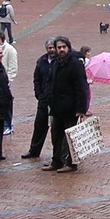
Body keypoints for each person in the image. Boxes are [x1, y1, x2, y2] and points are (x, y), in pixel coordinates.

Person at [46, 36, 88, 173]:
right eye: (59, 47)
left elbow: (81, 87)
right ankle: (56, 160)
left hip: (71, 108)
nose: (61, 49)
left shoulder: (75, 64)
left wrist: (81, 109)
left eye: (64, 47)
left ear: (68, 47)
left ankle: (70, 162)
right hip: (57, 107)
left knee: (69, 137)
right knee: (56, 135)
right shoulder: (56, 63)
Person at [23, 39, 57, 161]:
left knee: (57, 127)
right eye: (49, 47)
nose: (51, 50)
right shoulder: (41, 61)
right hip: (44, 98)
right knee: (39, 124)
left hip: (57, 99)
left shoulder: (60, 61)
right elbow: (36, 79)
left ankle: (58, 153)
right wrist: (38, 94)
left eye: (53, 47)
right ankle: (34, 150)